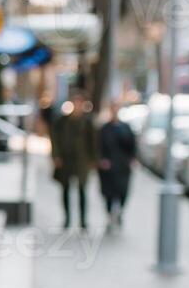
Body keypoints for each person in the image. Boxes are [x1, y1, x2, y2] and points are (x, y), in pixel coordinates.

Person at [50, 87, 99, 231]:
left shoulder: (87, 122)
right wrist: (56, 156)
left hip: (81, 160)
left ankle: (83, 220)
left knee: (82, 190)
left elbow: (94, 142)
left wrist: (93, 159)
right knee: (65, 189)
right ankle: (67, 218)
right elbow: (55, 139)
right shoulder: (62, 121)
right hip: (66, 159)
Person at [97, 101, 137, 230]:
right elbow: (99, 146)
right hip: (108, 168)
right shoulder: (104, 129)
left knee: (123, 192)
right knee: (108, 193)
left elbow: (133, 146)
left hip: (122, 166)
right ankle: (110, 216)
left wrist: (132, 159)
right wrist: (102, 160)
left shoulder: (126, 128)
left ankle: (119, 214)